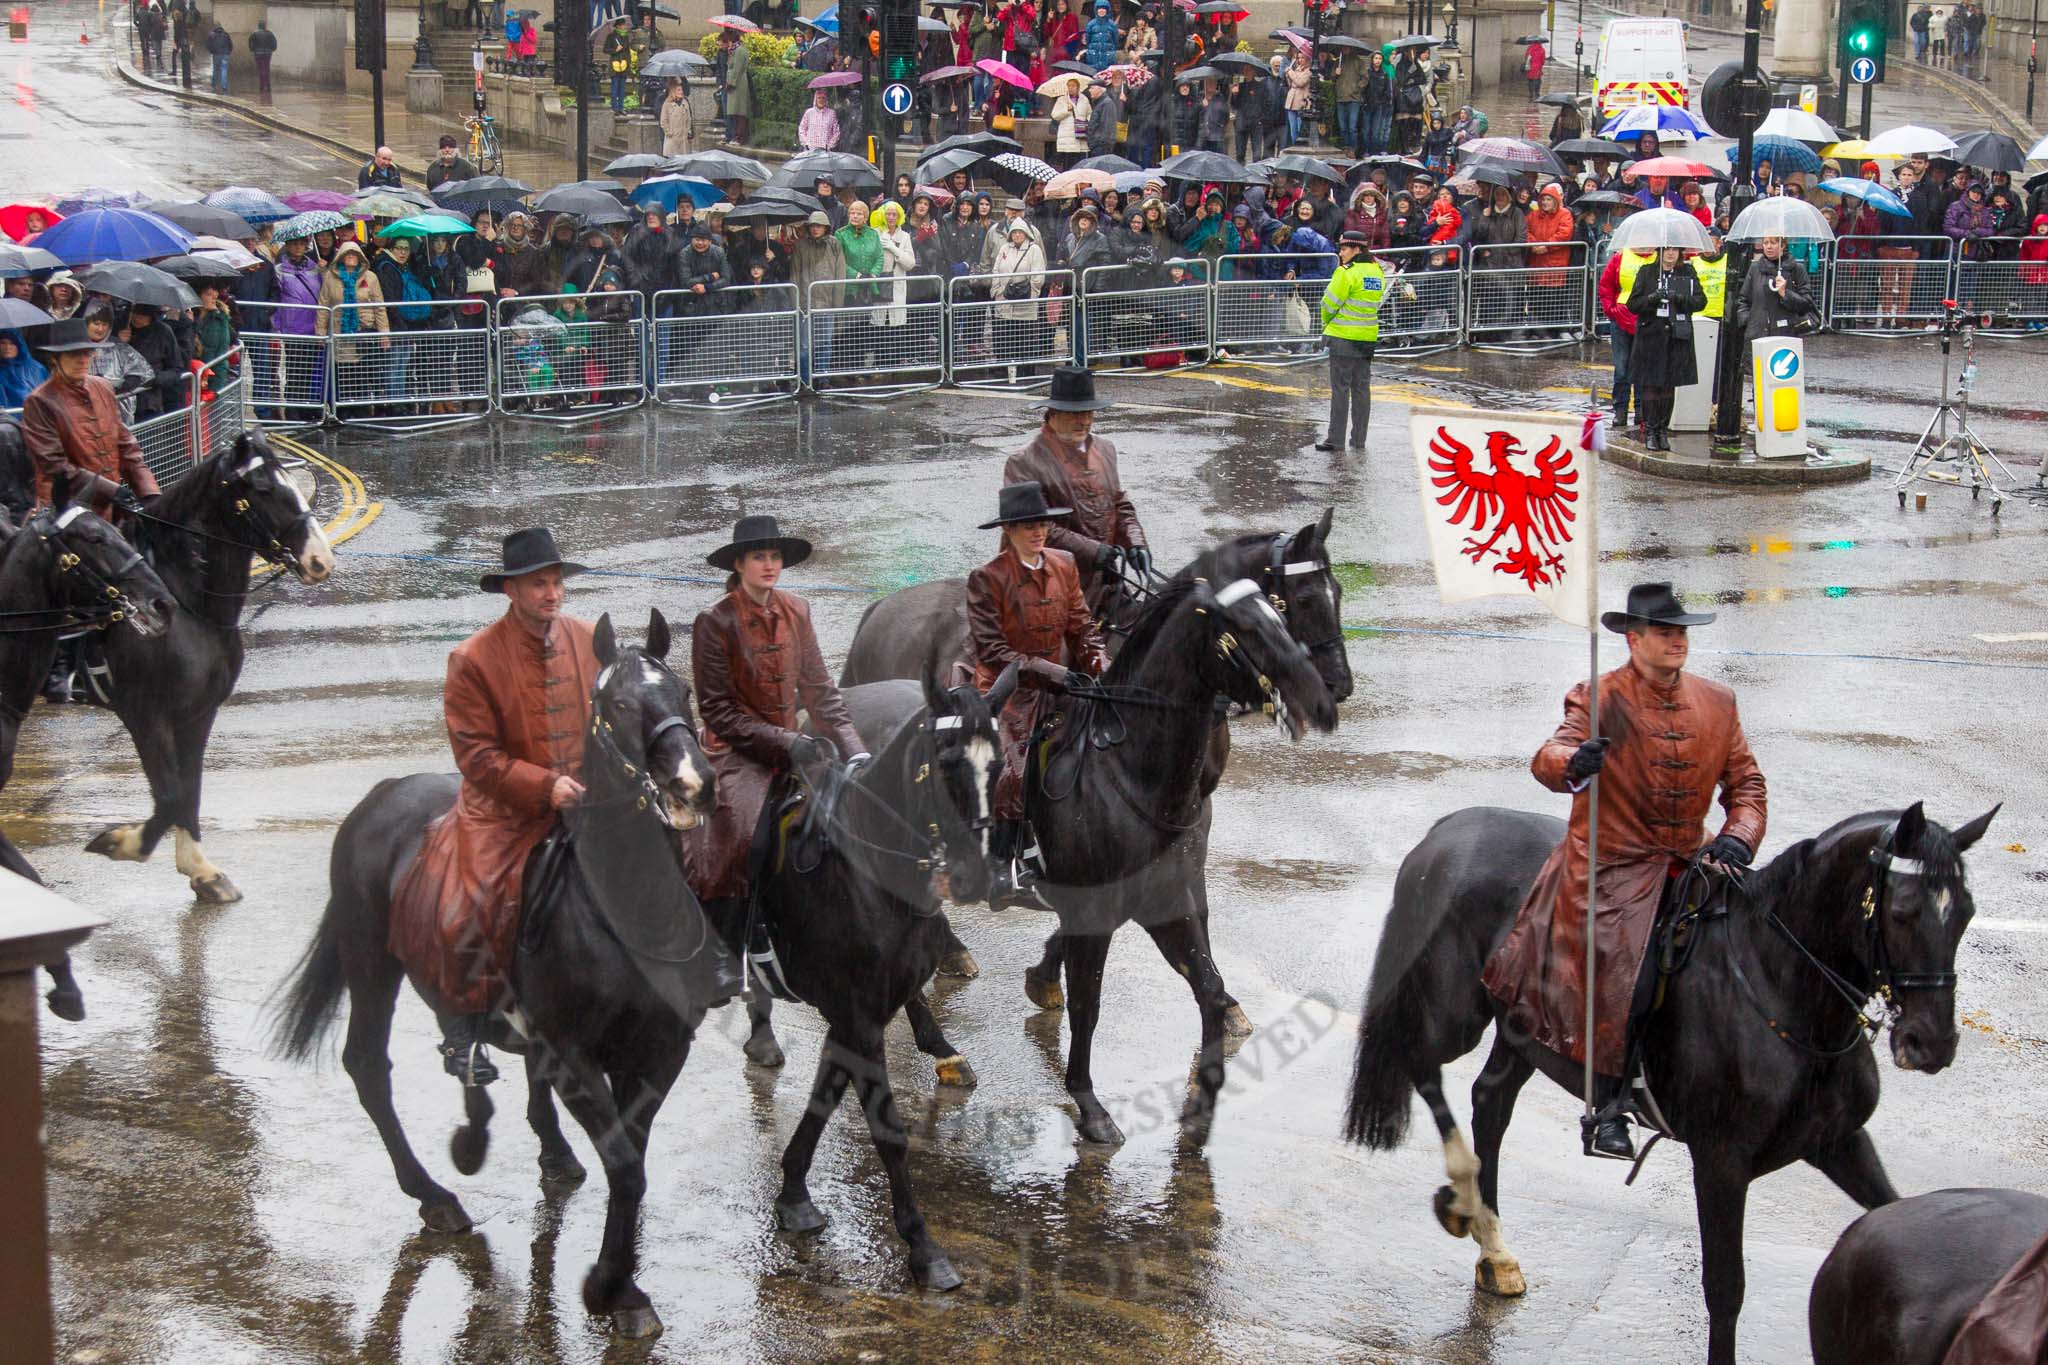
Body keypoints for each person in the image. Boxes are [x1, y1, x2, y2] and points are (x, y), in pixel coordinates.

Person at [1482, 581, 1766, 1160]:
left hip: (1693, 859)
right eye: (1665, 633)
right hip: (1611, 867)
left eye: (1682, 632)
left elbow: (1748, 789)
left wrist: (1738, 838)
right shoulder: (1598, 695)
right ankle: (1610, 1105)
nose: (1677, 642)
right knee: (1624, 975)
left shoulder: (1718, 702)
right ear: (1634, 639)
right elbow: (1548, 758)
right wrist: (1574, 764)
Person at [387, 528, 600, 1088]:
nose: (552, 594)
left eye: (556, 583)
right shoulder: (472, 658)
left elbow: (608, 719)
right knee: (468, 903)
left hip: (585, 796)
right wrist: (544, 786)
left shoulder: (587, 639)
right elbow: (477, 756)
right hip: (503, 808)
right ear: (511, 590)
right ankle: (462, 1027)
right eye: (538, 585)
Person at [680, 515, 867, 915]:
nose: (769, 565)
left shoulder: (797, 610)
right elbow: (717, 711)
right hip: (736, 752)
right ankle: (737, 933)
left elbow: (821, 691)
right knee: (748, 843)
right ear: (738, 565)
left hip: (794, 744)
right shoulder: (715, 621)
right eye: (758, 556)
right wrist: (785, 742)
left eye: (775, 556)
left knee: (853, 816)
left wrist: (855, 750)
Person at [966, 480, 1108, 909]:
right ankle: (1001, 865)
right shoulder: (987, 579)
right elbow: (994, 651)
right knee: (1011, 769)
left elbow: (1083, 629)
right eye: (1027, 525)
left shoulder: (1064, 564)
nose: (1038, 531)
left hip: (1059, 679)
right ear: (1008, 530)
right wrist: (1054, 672)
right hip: (1007, 687)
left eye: (1042, 523)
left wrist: (1103, 668)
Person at [1001, 365, 1147, 616]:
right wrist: (1093, 550)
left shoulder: (1105, 449)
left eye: (1089, 412)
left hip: (1105, 579)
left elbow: (1119, 503)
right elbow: (1034, 529)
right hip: (1047, 582)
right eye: (1075, 413)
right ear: (1053, 415)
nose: (1085, 420)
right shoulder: (1024, 461)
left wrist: (1135, 543)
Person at [1626, 244, 1704, 451]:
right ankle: (1651, 431)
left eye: (1674, 250)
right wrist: (1652, 298)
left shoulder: (1687, 271)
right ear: (1659, 252)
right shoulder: (1647, 272)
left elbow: (1700, 301)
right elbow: (1633, 304)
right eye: (1666, 249)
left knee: (1670, 386)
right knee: (1652, 385)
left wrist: (1678, 298)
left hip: (1676, 336)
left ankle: (1663, 430)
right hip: (1651, 336)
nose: (1670, 253)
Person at [1316, 230, 1384, 453]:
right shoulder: (1376, 272)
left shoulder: (1345, 272)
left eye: (1344, 248)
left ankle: (1336, 440)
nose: (1341, 252)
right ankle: (1359, 440)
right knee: (1362, 390)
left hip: (1343, 338)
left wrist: (1327, 324)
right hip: (1366, 339)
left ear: (1356, 249)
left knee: (1341, 390)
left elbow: (1329, 304)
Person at [1596, 238, 1655, 433]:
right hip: (1621, 319)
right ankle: (1620, 410)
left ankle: (1640, 410)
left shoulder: (1657, 258)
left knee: (1643, 368)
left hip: (1646, 320)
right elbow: (1606, 286)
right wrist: (1611, 310)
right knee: (1621, 369)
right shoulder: (1619, 258)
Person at [1733, 234, 1815, 346]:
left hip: (1784, 334)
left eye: (1773, 243)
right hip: (1756, 335)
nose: (1769, 247)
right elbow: (1743, 299)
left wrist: (1785, 294)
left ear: (1783, 245)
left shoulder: (1797, 269)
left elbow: (1806, 304)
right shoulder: (1755, 268)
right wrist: (1748, 321)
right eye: (1766, 243)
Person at [1051, 77, 1091, 169]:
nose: (1070, 88)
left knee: (1079, 164)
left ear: (1078, 87)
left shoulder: (1084, 99)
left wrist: (1087, 122)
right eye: (1068, 86)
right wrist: (1066, 110)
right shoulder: (1062, 100)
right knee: (1068, 165)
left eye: (1073, 86)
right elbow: (1054, 115)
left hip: (1081, 134)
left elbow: (1089, 113)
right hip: (1067, 137)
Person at [722, 31, 753, 144]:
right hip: (734, 82)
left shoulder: (740, 50)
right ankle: (735, 135)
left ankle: (739, 137)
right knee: (734, 111)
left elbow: (738, 68)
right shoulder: (734, 50)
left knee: (740, 111)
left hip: (739, 83)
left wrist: (731, 83)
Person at [659, 77, 695, 156]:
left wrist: (688, 131)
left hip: (683, 139)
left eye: (681, 90)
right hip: (672, 139)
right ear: (673, 91)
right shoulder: (667, 104)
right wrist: (669, 132)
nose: (681, 92)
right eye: (679, 90)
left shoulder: (685, 102)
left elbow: (689, 119)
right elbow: (663, 121)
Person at [248, 19, 276, 93]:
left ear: (259, 26)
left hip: (258, 54)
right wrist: (271, 49)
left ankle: (262, 86)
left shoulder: (254, 34)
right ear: (265, 26)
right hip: (268, 53)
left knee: (261, 70)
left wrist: (253, 49)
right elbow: (274, 44)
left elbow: (250, 43)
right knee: (267, 69)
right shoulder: (270, 34)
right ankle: (268, 86)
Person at [205, 21, 233, 92]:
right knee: (224, 70)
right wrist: (228, 52)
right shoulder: (226, 34)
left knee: (216, 70)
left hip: (216, 55)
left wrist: (212, 52)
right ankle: (224, 86)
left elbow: (208, 46)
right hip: (225, 55)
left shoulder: (211, 35)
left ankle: (214, 85)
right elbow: (230, 45)